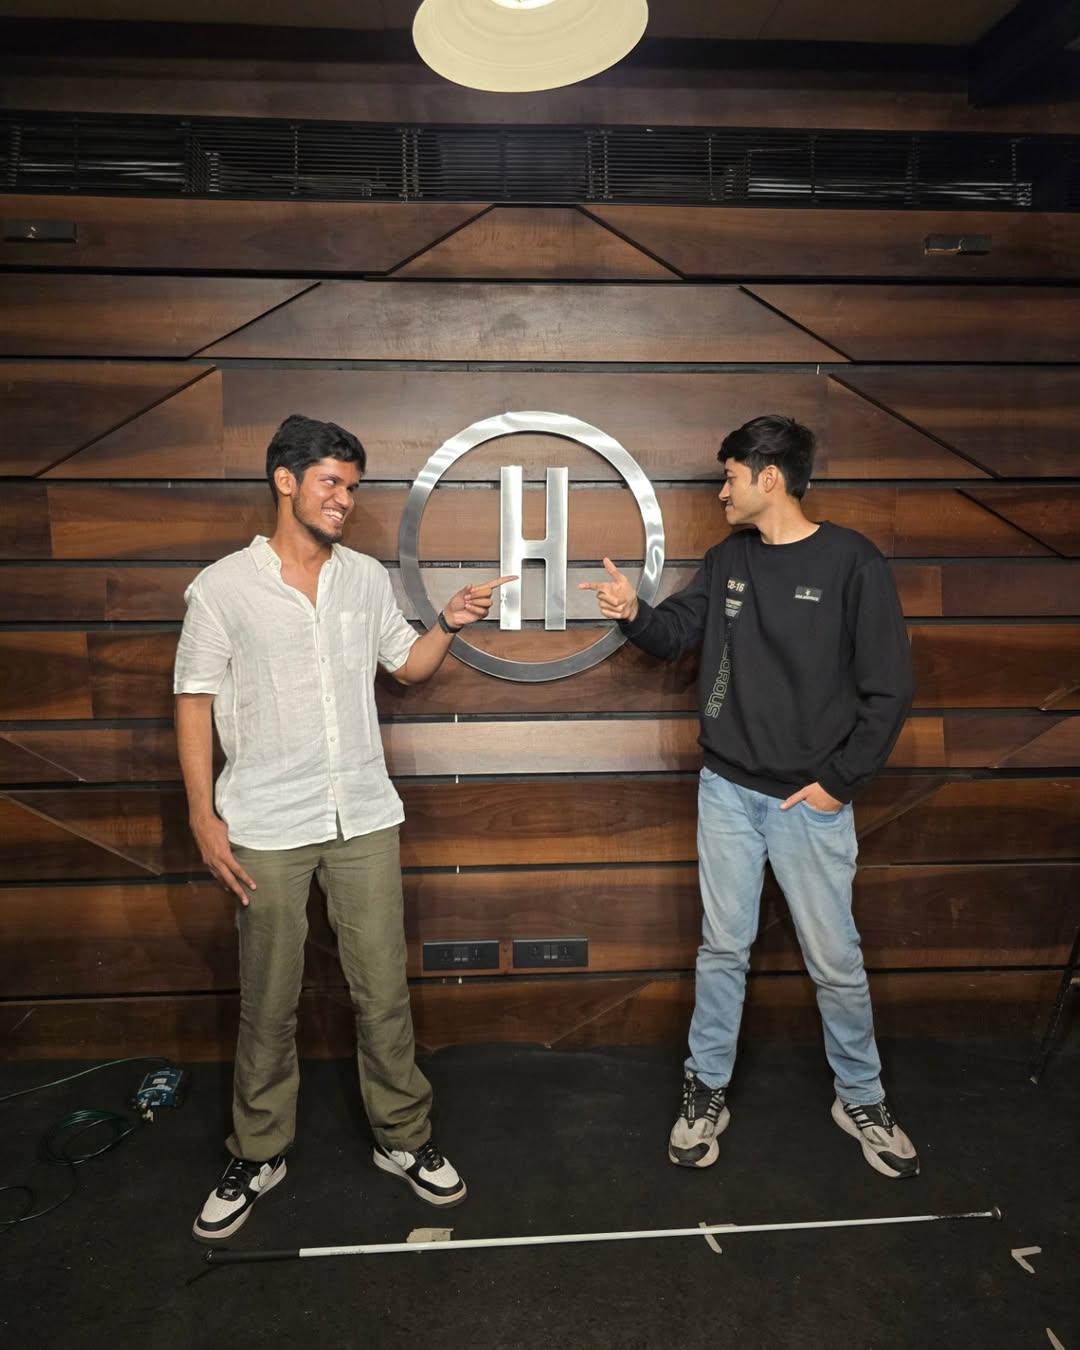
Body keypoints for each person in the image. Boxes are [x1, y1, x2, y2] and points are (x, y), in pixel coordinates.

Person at [174, 413, 512, 1241]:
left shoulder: (363, 578)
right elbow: (192, 701)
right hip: (264, 823)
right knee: (269, 999)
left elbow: (407, 667)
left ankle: (405, 1139)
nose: (344, 501)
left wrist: (450, 624)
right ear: (284, 481)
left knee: (381, 992)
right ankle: (259, 1151)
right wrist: (202, 817)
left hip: (362, 814)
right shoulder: (222, 587)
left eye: (353, 488)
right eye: (331, 482)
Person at [580, 415, 918, 1180]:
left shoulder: (853, 563)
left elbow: (889, 690)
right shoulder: (729, 558)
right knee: (723, 950)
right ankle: (706, 1093)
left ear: (770, 477)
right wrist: (633, 610)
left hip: (809, 805)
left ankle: (859, 1095)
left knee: (836, 962)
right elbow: (675, 635)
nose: (721, 489)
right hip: (727, 790)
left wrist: (836, 788)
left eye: (729, 475)